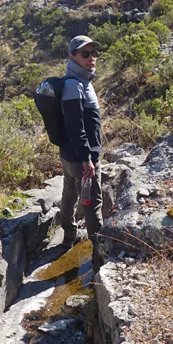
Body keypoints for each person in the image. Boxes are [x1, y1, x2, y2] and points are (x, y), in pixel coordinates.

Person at [60, 35, 103, 268]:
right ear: (72, 56)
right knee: (92, 202)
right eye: (85, 54)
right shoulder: (74, 85)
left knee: (69, 193)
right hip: (81, 157)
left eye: (93, 54)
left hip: (69, 154)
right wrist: (88, 158)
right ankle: (100, 252)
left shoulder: (79, 81)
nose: (91, 59)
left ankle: (68, 235)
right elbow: (76, 126)